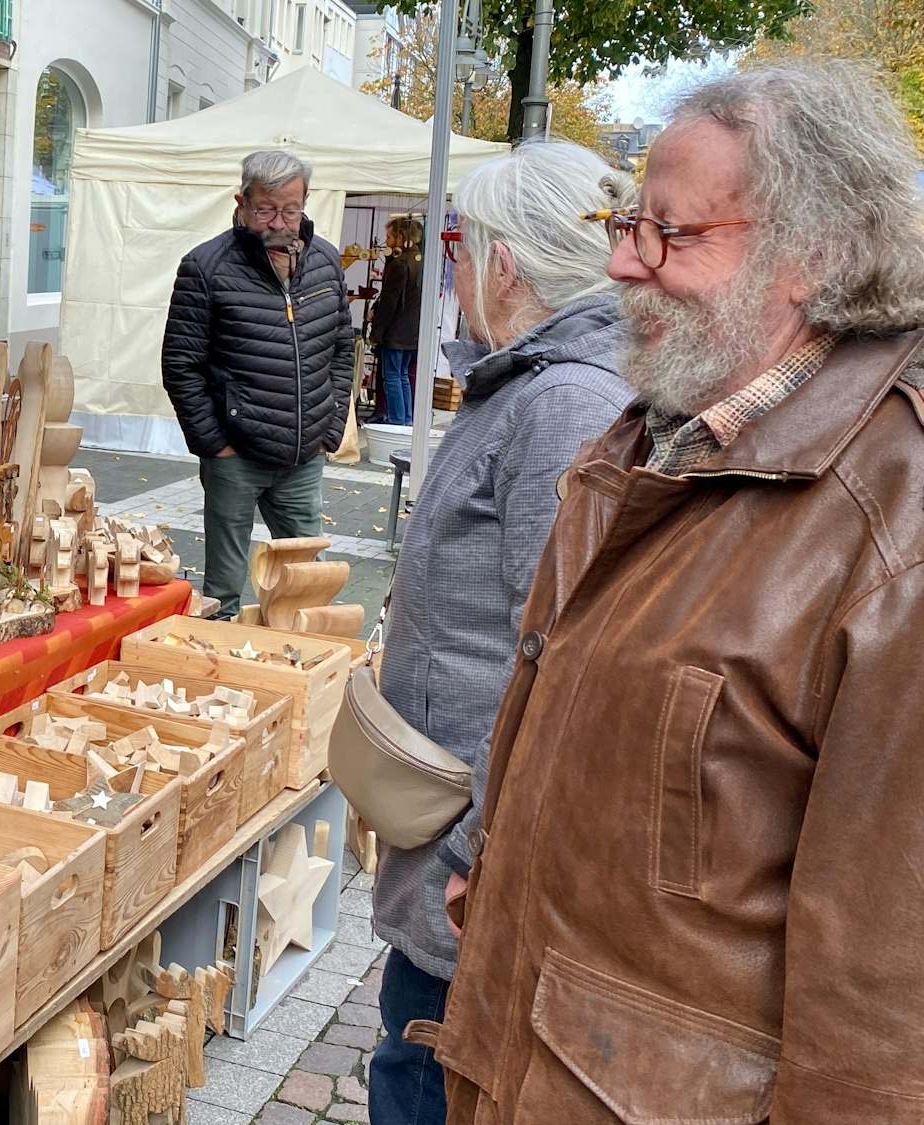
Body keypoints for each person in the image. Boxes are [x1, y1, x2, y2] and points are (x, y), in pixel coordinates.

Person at [414, 62, 924, 1123]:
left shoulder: (892, 520)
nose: (617, 263)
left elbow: (881, 1016)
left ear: (812, 257)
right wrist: (489, 864)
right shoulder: (658, 427)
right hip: (541, 1066)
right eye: (622, 223)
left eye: (668, 234)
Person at [365, 143, 636, 1125]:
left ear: (506, 264)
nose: (453, 271)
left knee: (425, 1081)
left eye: (457, 249)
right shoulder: (540, 385)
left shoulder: (563, 403)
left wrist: (482, 851)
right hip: (463, 844)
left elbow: (568, 663)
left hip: (473, 870)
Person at [162, 150, 354, 616]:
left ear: (306, 201)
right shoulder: (205, 267)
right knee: (223, 592)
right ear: (242, 203)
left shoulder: (326, 261)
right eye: (266, 209)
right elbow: (180, 365)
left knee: (308, 583)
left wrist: (329, 428)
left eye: (291, 209)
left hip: (304, 455)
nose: (279, 222)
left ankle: (300, 668)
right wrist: (213, 443)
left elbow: (342, 349)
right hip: (235, 456)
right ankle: (217, 672)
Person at [370, 217, 425, 425]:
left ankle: (396, 421)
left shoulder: (400, 263)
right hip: (413, 331)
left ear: (401, 237)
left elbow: (389, 303)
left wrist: (376, 334)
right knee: (401, 376)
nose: (387, 240)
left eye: (390, 236)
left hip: (397, 331)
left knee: (393, 377)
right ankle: (406, 420)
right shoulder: (422, 261)